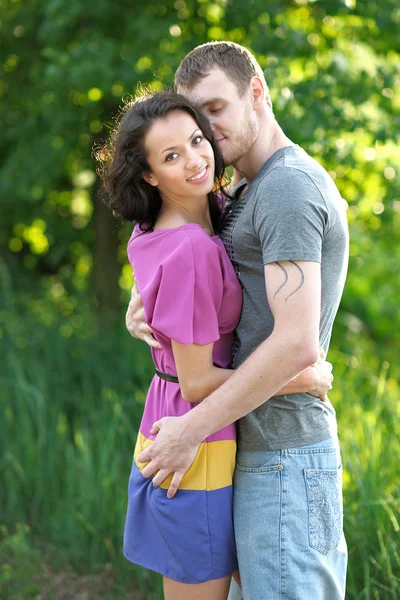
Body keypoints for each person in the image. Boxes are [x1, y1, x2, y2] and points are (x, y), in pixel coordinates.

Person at [127, 42, 349, 600]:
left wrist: (191, 429)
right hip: (246, 446)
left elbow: (297, 345)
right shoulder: (242, 192)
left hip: (286, 453)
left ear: (258, 92)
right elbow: (178, 250)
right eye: (199, 121)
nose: (208, 136)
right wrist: (143, 299)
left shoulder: (288, 188)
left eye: (215, 111)